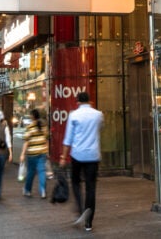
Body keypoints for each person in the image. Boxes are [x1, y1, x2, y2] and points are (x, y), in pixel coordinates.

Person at [60, 91, 103, 232]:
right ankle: (89, 223)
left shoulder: (74, 115)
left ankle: (79, 208)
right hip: (93, 155)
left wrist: (63, 157)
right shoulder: (98, 115)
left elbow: (68, 139)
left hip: (77, 155)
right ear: (89, 100)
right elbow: (100, 128)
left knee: (75, 182)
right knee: (91, 188)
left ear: (78, 101)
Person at [20, 108, 48, 198]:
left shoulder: (30, 127)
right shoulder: (44, 127)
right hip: (42, 152)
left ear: (32, 117)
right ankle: (43, 190)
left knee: (31, 173)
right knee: (42, 171)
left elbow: (26, 142)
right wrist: (47, 150)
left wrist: (22, 154)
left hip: (32, 154)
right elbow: (46, 139)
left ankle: (27, 190)